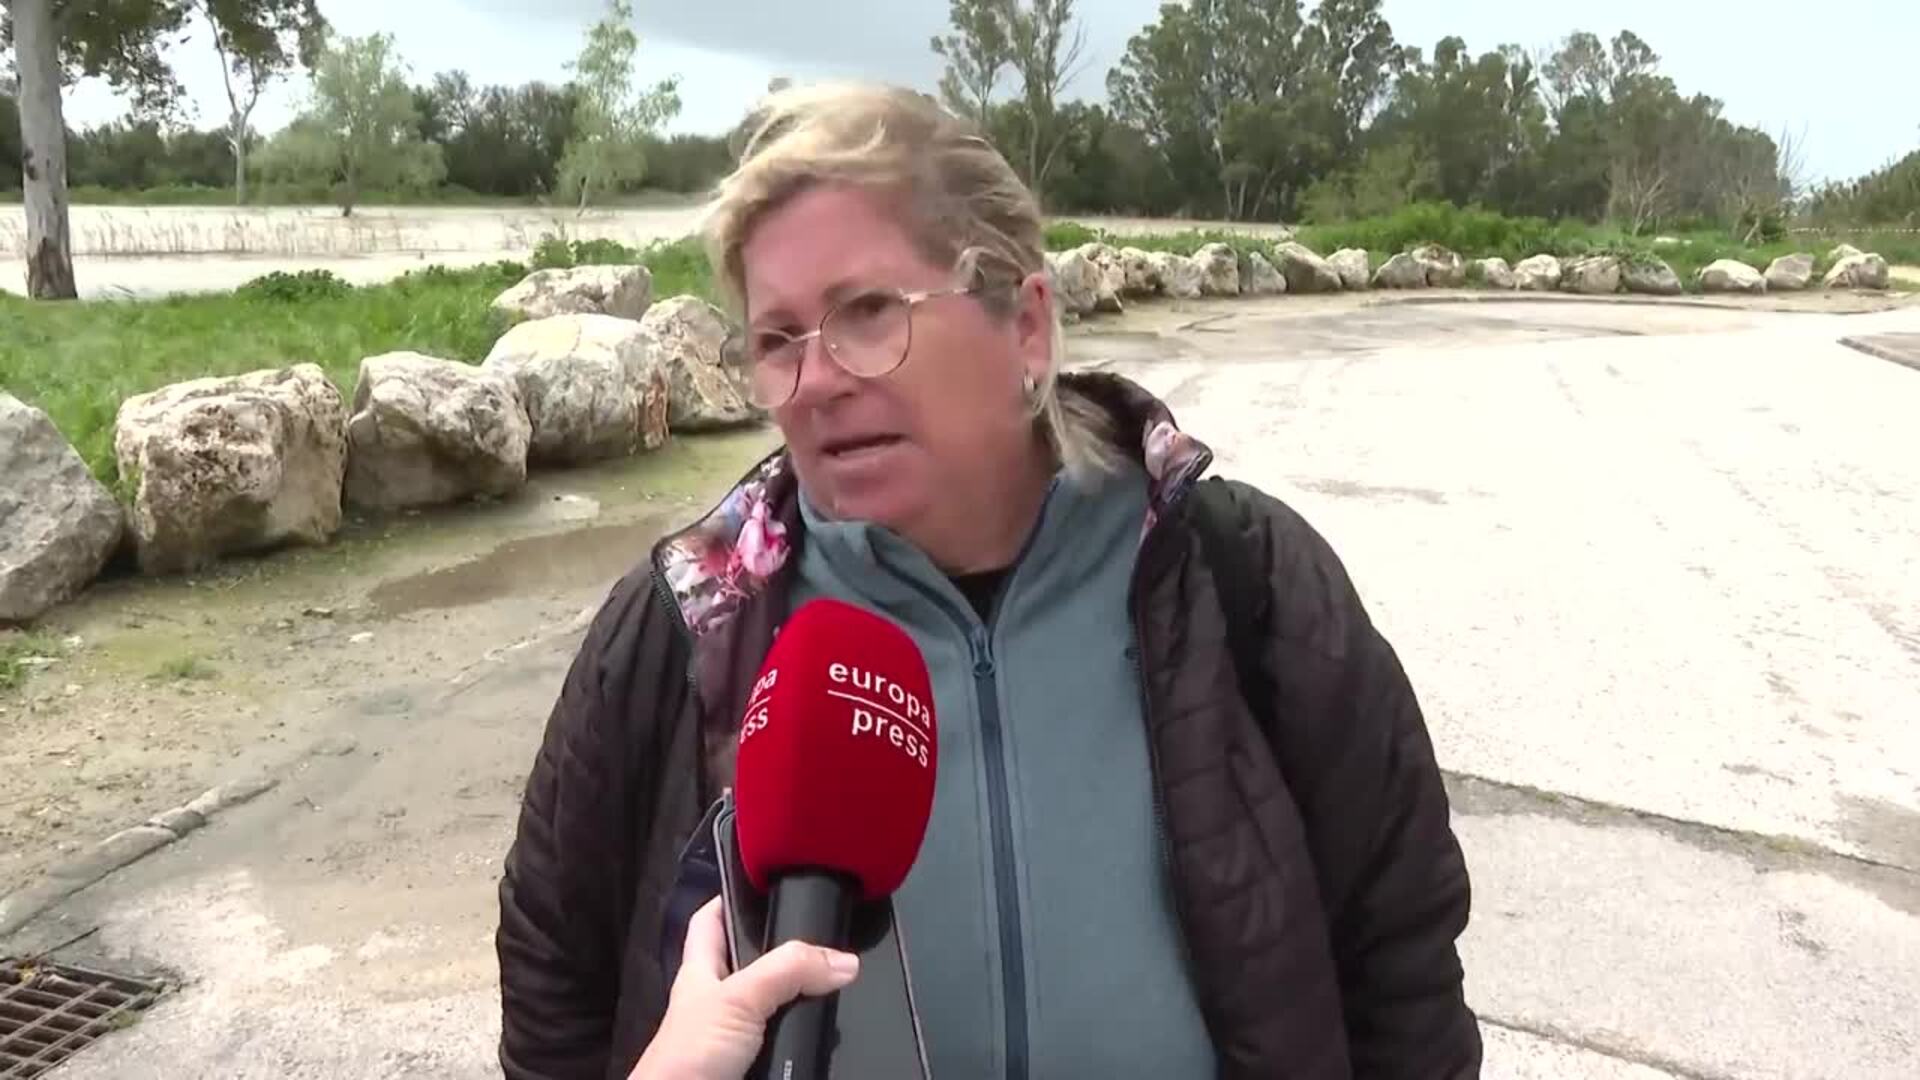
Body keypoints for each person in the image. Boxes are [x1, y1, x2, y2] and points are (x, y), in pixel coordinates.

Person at [497, 81, 1481, 1080]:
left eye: (869, 312)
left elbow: (1400, 970)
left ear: (1028, 325)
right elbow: (556, 989)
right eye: (775, 340)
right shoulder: (690, 624)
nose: (819, 378)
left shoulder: (1242, 582)